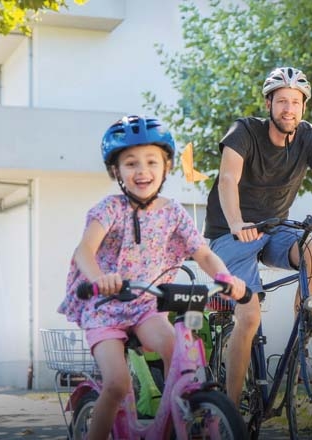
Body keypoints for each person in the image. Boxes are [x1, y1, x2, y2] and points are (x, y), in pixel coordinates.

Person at [57, 115, 247, 439]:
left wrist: (226, 277)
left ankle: (182, 420)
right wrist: (101, 278)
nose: (142, 171)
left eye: (150, 161)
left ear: (166, 166)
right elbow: (84, 252)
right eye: (130, 163)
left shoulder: (172, 212)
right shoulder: (109, 209)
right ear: (116, 171)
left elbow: (202, 252)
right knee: (117, 384)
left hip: (146, 304)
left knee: (180, 355)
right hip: (104, 307)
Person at [203, 67, 312, 405]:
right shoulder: (244, 131)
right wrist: (236, 223)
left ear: (303, 107)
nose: (288, 109)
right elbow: (227, 180)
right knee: (249, 316)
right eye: (282, 101)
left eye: (295, 102)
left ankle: (302, 337)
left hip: (275, 228)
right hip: (231, 233)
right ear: (268, 104)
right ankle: (231, 411)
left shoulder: (309, 137)